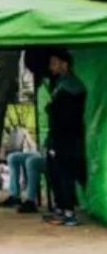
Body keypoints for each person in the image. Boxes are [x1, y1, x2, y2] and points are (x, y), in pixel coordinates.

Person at [44, 49, 87, 227]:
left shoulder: (73, 86)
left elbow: (60, 112)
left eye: (54, 63)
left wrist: (51, 108)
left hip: (67, 138)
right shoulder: (60, 83)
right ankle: (61, 208)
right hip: (58, 136)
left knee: (65, 174)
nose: (51, 67)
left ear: (65, 64)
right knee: (54, 172)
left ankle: (69, 212)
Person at [0, 127, 43, 214]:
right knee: (12, 157)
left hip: (48, 155)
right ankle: (14, 195)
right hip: (39, 153)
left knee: (31, 161)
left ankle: (30, 200)